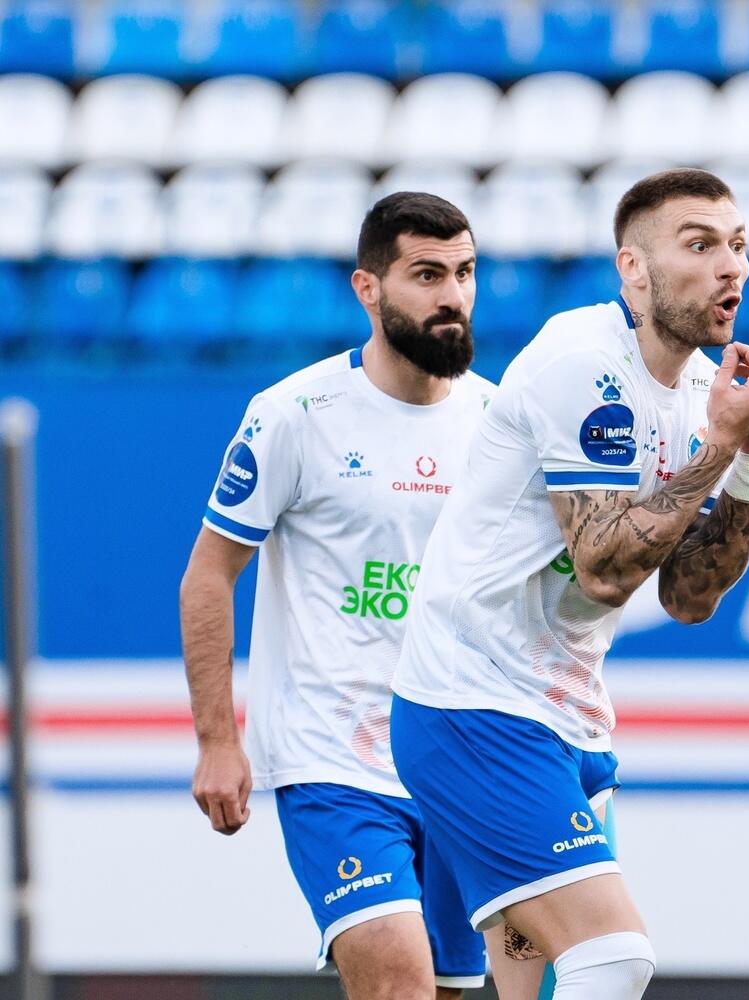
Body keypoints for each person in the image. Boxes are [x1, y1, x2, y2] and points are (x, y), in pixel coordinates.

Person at [388, 167, 749, 1000]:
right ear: (634, 269)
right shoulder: (583, 362)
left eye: (738, 245)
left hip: (566, 716)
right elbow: (605, 567)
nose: (730, 266)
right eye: (699, 244)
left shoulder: (696, 389)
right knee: (613, 956)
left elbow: (688, 597)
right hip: (473, 704)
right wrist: (721, 447)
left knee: (545, 986)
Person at [180, 192, 493, 999]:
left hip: (459, 756)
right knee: (397, 981)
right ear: (368, 287)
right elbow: (208, 575)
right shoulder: (293, 414)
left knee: (447, 989)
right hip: (334, 756)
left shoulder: (499, 420)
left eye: (464, 273)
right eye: (427, 275)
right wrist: (217, 741)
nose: (453, 295)